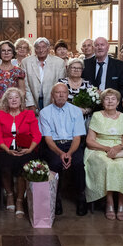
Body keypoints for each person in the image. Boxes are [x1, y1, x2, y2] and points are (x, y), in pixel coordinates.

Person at [84, 89, 123, 221]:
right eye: (106, 99)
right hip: (98, 148)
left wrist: (117, 148)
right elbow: (89, 141)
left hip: (119, 148)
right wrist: (107, 148)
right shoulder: (97, 116)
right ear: (102, 102)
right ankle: (109, 202)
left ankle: (121, 203)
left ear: (118, 102)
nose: (110, 101)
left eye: (113, 99)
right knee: (107, 165)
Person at [39, 83, 88, 216]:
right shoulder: (45, 112)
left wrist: (70, 153)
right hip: (54, 145)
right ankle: (56, 197)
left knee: (78, 163)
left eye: (64, 93)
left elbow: (77, 136)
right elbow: (48, 139)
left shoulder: (76, 111)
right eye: (57, 92)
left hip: (72, 144)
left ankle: (81, 196)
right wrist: (61, 153)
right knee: (55, 163)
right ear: (52, 95)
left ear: (68, 95)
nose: (61, 95)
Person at [0, 87, 42, 216]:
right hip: (5, 148)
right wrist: (7, 150)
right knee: (5, 164)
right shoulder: (0, 115)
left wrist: (29, 149)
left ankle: (20, 199)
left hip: (26, 148)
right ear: (6, 101)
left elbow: (37, 135)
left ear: (21, 100)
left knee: (23, 166)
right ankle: (9, 194)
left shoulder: (29, 114)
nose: (14, 100)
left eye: (16, 97)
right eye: (10, 98)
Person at [22, 37, 66, 110]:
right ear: (35, 50)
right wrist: (30, 103)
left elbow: (60, 85)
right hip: (33, 101)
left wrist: (54, 102)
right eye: (38, 47)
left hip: (52, 101)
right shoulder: (26, 62)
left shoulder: (59, 62)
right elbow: (25, 85)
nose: (41, 50)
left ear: (48, 49)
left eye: (43, 47)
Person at [0, 41, 26, 118]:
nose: (6, 53)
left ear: (13, 53)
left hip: (15, 107)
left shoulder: (19, 71)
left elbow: (22, 91)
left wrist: (15, 102)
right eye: (3, 51)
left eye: (9, 50)